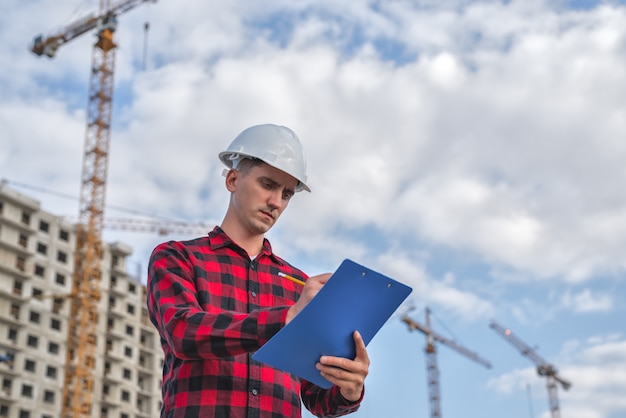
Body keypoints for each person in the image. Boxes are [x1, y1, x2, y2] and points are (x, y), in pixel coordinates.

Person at [147, 124, 370, 418]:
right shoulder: (178, 258)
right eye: (268, 184)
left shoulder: (300, 287)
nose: (276, 202)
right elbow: (184, 333)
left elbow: (316, 397)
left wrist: (348, 387)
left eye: (287, 193)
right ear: (232, 179)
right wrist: (284, 319)